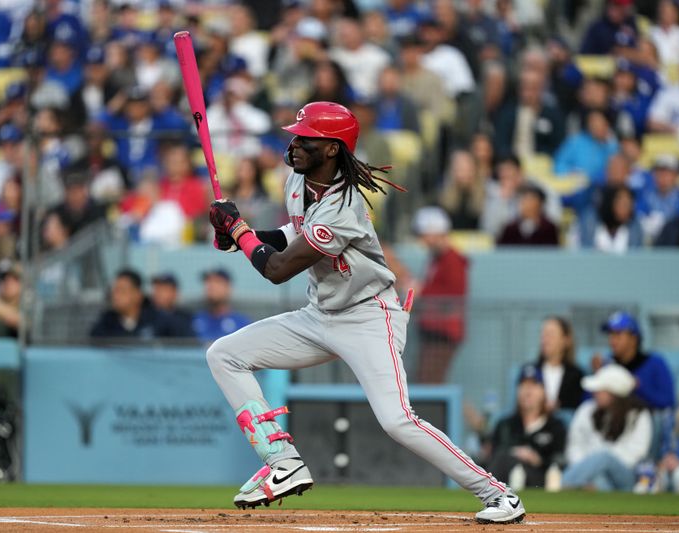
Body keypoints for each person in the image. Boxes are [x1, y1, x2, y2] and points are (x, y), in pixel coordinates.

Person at [205, 101, 525, 523]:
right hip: (320, 314)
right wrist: (234, 234)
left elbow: (278, 269)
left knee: (397, 421)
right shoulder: (297, 183)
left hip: (369, 317)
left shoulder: (344, 205)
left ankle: (498, 494)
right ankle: (283, 461)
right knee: (223, 354)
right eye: (297, 136)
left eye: (307, 139)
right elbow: (291, 235)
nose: (295, 144)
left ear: (334, 149)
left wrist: (242, 231)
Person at [562, 365, 652, 491]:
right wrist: (589, 468)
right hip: (588, 474)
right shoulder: (586, 409)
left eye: (600, 390)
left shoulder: (638, 414)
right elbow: (575, 445)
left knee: (604, 457)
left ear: (614, 393)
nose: (595, 393)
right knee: (599, 478)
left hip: (625, 475)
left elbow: (637, 452)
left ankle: (564, 483)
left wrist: (601, 463)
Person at [485, 364, 567, 489]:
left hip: (540, 481)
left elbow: (560, 459)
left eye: (533, 385)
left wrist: (537, 459)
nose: (527, 391)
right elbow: (495, 456)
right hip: (504, 480)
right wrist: (516, 453)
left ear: (543, 391)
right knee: (509, 463)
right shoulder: (505, 425)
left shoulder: (555, 426)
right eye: (523, 385)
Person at [411, 207, 468, 384]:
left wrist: (423, 291)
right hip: (436, 329)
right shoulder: (437, 259)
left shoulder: (452, 259)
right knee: (430, 380)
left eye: (425, 236)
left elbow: (454, 295)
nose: (423, 242)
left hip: (443, 331)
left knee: (430, 381)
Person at [600, 311, 675, 410]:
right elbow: (590, 402)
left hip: (647, 423)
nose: (612, 340)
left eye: (618, 334)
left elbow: (668, 401)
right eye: (610, 334)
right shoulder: (607, 365)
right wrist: (598, 377)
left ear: (633, 339)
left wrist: (637, 387)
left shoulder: (655, 363)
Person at [89, 269, 186, 340]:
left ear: (138, 295)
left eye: (122, 291)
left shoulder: (160, 321)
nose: (115, 296)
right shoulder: (106, 323)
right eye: (114, 291)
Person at [534, 317, 585, 412]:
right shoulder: (530, 372)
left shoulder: (577, 375)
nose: (545, 340)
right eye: (543, 334)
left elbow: (581, 408)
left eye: (551, 334)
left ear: (566, 340)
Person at [192, 269, 251, 343]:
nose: (211, 286)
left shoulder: (242, 324)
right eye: (208, 282)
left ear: (228, 288)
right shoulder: (194, 320)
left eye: (217, 282)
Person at [150, 273, 193, 338]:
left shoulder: (186, 318)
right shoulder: (145, 317)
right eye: (156, 289)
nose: (158, 293)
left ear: (175, 293)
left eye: (163, 290)